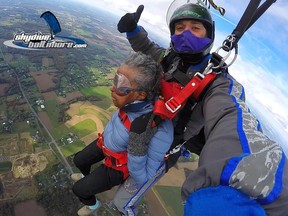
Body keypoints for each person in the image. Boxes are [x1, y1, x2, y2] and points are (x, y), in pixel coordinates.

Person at [115, 1, 288, 215]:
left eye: (195, 28)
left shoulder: (218, 82)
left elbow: (231, 116)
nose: (185, 33)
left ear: (208, 36)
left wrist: (246, 187)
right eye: (179, 28)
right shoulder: (170, 59)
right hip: (142, 127)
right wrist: (133, 31)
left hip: (164, 148)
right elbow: (149, 48)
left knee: (123, 200)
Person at [71, 52, 173, 216]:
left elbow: (143, 177)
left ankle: (92, 205)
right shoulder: (130, 104)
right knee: (79, 160)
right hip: (104, 144)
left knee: (79, 190)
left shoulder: (159, 128)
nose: (113, 88)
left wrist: (137, 146)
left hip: (117, 167)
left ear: (141, 94)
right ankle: (87, 179)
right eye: (116, 79)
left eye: (121, 84)